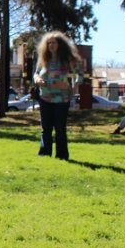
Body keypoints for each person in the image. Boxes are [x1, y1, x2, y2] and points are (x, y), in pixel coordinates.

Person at [33, 31, 83, 160]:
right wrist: (37, 79)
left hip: (62, 99)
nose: (51, 45)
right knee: (46, 128)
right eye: (48, 43)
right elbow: (36, 73)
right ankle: (44, 154)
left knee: (60, 128)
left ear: (60, 44)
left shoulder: (68, 59)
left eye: (53, 42)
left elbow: (80, 74)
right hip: (45, 98)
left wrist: (74, 87)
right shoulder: (43, 59)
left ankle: (61, 155)